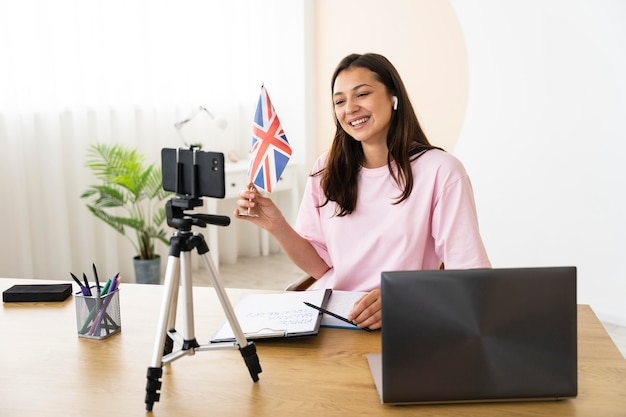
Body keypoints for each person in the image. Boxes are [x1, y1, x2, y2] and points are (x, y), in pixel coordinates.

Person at [234, 53, 490, 330]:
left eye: (362, 94)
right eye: (339, 101)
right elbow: (322, 268)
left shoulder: (441, 171)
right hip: (331, 319)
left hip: (405, 319)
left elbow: (470, 276)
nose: (350, 108)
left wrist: (404, 298)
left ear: (394, 97)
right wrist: (277, 225)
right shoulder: (327, 167)